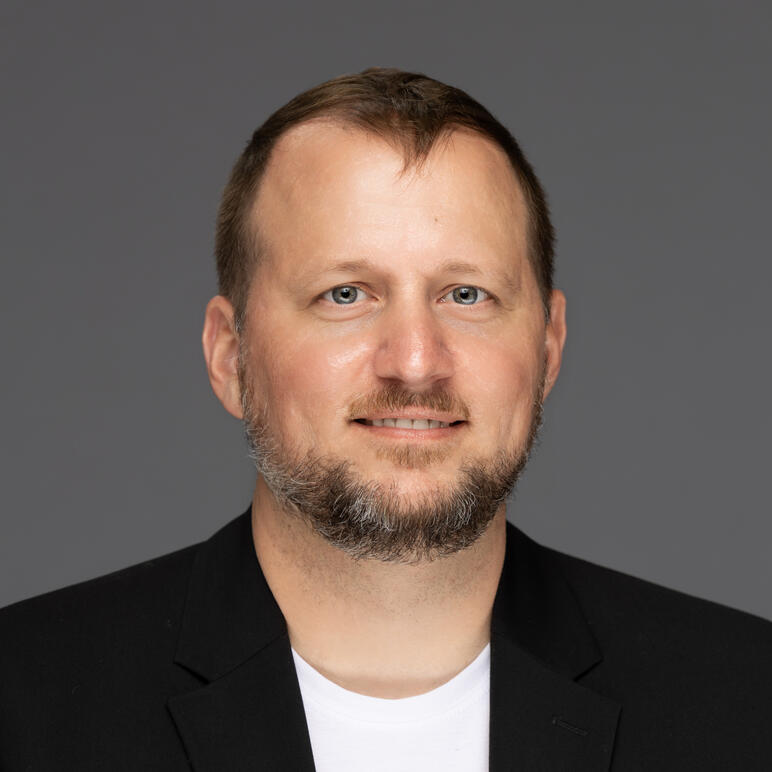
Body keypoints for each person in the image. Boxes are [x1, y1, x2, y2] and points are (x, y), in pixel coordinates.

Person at [1, 67, 770, 772]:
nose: (415, 361)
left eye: (466, 295)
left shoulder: (746, 704)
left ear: (548, 348)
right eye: (346, 294)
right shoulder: (25, 702)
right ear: (231, 357)